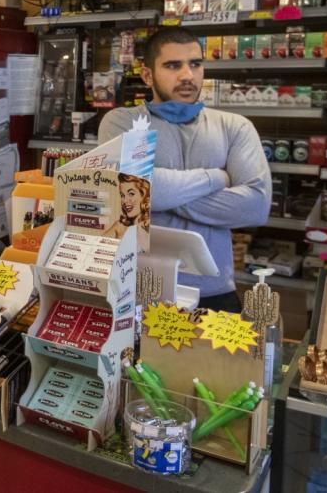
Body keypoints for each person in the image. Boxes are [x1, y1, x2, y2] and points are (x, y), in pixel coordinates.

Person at [98, 27, 270, 313]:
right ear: (148, 76)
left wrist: (161, 195)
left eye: (195, 64)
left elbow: (255, 206)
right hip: (139, 287)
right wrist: (217, 178)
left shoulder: (234, 127)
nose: (187, 75)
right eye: (173, 65)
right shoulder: (123, 123)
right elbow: (129, 197)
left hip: (214, 293)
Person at [105, 174, 150, 238]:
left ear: (143, 195)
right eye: (122, 195)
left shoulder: (150, 226)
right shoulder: (119, 226)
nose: (125, 200)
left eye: (131, 194)